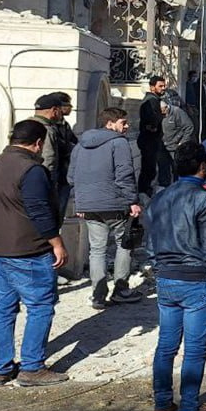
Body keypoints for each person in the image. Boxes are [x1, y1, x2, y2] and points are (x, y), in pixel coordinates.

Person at [147, 142, 206, 411]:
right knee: (195, 350)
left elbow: (150, 243)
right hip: (197, 280)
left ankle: (162, 408)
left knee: (166, 346)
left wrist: (160, 269)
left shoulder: (159, 198)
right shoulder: (204, 199)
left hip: (166, 277)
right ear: (203, 166)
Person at [0, 120, 68, 387]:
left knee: (3, 309)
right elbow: (39, 210)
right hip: (28, 250)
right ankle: (32, 367)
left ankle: (1, 369)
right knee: (40, 306)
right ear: (39, 143)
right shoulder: (32, 170)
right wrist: (57, 243)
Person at [69, 107, 145, 310]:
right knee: (124, 244)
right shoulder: (118, 143)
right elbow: (124, 174)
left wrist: (81, 201)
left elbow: (71, 176)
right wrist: (132, 201)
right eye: (123, 122)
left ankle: (98, 295)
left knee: (97, 249)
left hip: (88, 206)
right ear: (110, 123)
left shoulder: (80, 145)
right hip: (115, 203)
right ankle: (121, 290)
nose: (127, 126)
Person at [28, 94, 68, 209]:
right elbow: (49, 158)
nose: (61, 114)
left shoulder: (24, 125)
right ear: (54, 110)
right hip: (43, 180)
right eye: (60, 110)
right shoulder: (47, 130)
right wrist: (49, 183)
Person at [139, 75, 168, 195]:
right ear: (152, 87)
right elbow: (151, 120)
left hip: (151, 140)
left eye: (164, 86)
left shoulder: (154, 99)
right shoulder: (151, 100)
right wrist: (160, 116)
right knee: (148, 169)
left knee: (150, 168)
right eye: (160, 86)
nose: (163, 88)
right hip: (149, 140)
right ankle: (144, 192)